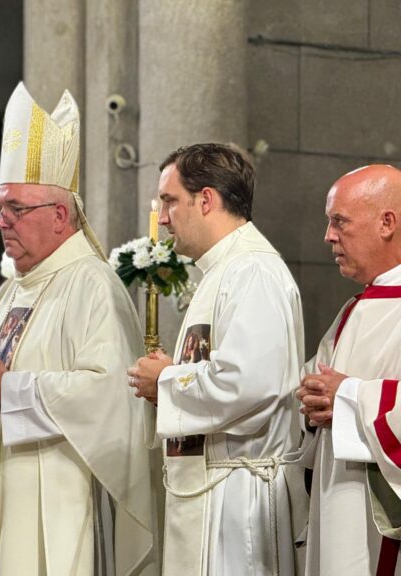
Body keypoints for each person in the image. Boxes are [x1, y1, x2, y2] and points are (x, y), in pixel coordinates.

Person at [0, 82, 155, 576]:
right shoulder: (4, 296)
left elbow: (110, 394)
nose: (2, 222)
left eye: (15, 209)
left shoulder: (92, 284)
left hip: (53, 497)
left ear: (61, 215)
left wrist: (10, 389)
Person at [127, 143, 306, 575]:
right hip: (214, 490)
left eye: (170, 201)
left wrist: (168, 381)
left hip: (237, 502)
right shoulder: (223, 271)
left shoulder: (253, 271)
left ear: (206, 199)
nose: (163, 217)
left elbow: (250, 384)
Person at [296, 164, 401, 575]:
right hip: (335, 502)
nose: (328, 236)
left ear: (387, 222)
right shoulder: (353, 310)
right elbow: (315, 382)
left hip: (380, 519)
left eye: (339, 221)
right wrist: (310, 397)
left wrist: (348, 395)